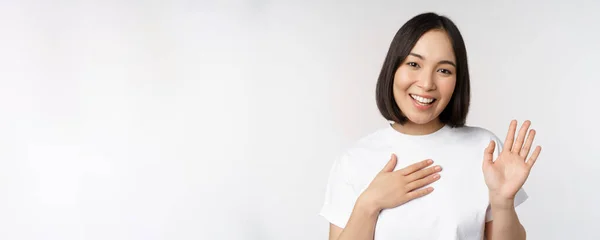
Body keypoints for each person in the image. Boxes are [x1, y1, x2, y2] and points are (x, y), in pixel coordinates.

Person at [319, 12, 542, 240]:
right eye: (414, 64)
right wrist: (369, 204)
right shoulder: (354, 160)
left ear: (458, 81)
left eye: (444, 70)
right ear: (393, 69)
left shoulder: (485, 150)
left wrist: (503, 203)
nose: (426, 84)